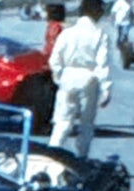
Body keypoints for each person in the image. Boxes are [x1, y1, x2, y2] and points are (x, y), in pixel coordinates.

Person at [49, 0, 112, 158]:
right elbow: (102, 64)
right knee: (86, 124)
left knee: (62, 122)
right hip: (89, 77)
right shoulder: (99, 34)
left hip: (68, 76)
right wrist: (106, 88)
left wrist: (59, 78)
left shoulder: (67, 33)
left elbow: (55, 59)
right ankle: (82, 158)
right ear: (94, 10)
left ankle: (51, 155)